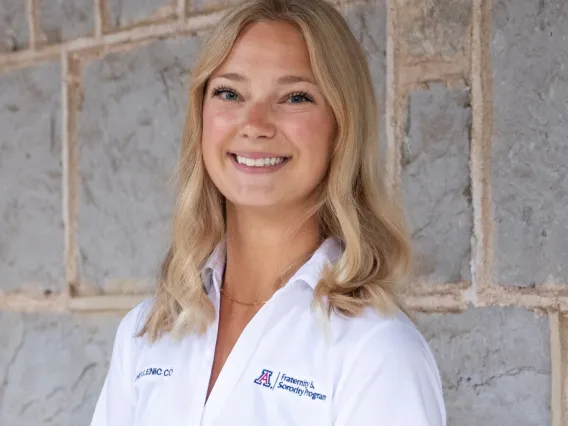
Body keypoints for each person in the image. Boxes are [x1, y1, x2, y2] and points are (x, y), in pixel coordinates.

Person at [90, 0, 446, 424]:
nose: (255, 123)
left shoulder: (376, 349)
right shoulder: (148, 332)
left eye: (295, 96)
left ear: (342, 126)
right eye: (229, 93)